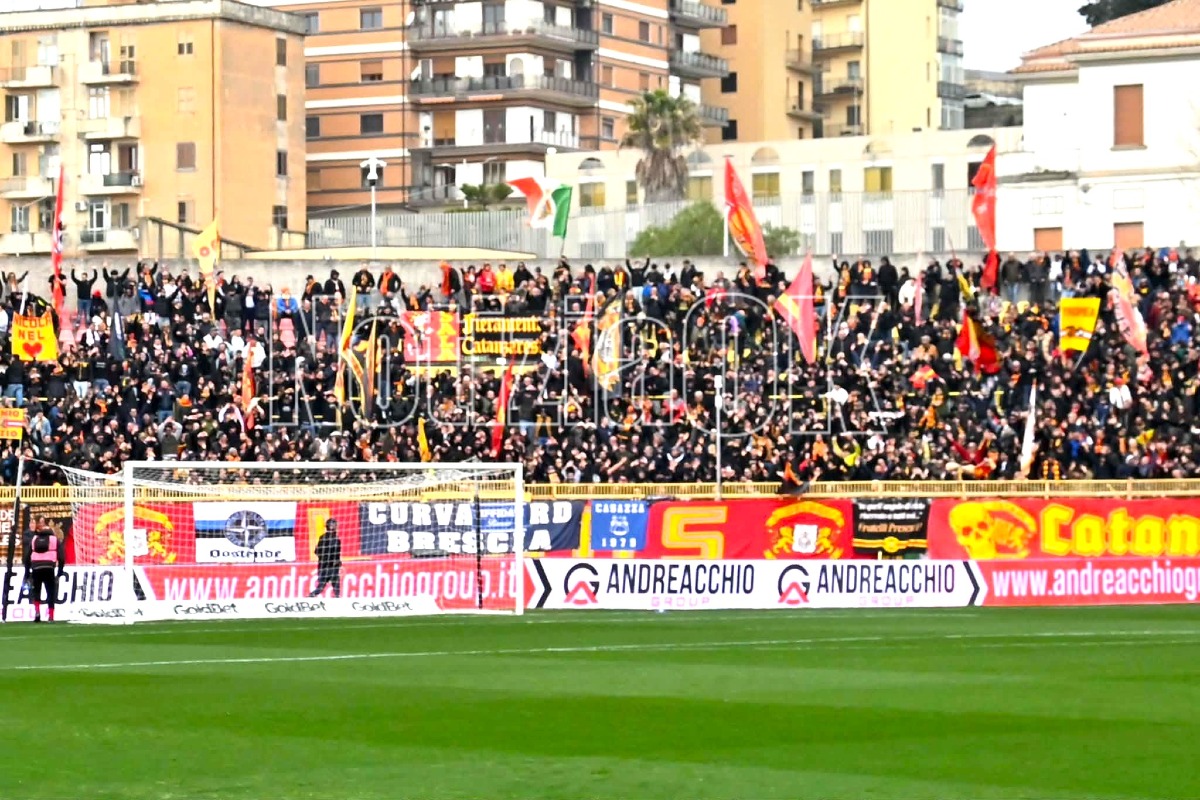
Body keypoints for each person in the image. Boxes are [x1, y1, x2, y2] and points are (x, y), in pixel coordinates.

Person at [23, 516, 65, 623]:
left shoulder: (34, 539)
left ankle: (37, 613)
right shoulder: (54, 539)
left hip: (36, 567)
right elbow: (61, 557)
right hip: (49, 567)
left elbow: (27, 557)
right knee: (50, 592)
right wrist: (60, 572)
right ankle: (50, 616)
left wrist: (27, 572)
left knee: (37, 591)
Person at [308, 518, 342, 598]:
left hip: (323, 567)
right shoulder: (336, 539)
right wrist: (337, 562)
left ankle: (310, 597)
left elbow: (317, 552)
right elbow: (336, 555)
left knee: (320, 587)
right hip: (332, 567)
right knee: (336, 589)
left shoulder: (322, 537)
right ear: (335, 527)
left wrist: (323, 558)